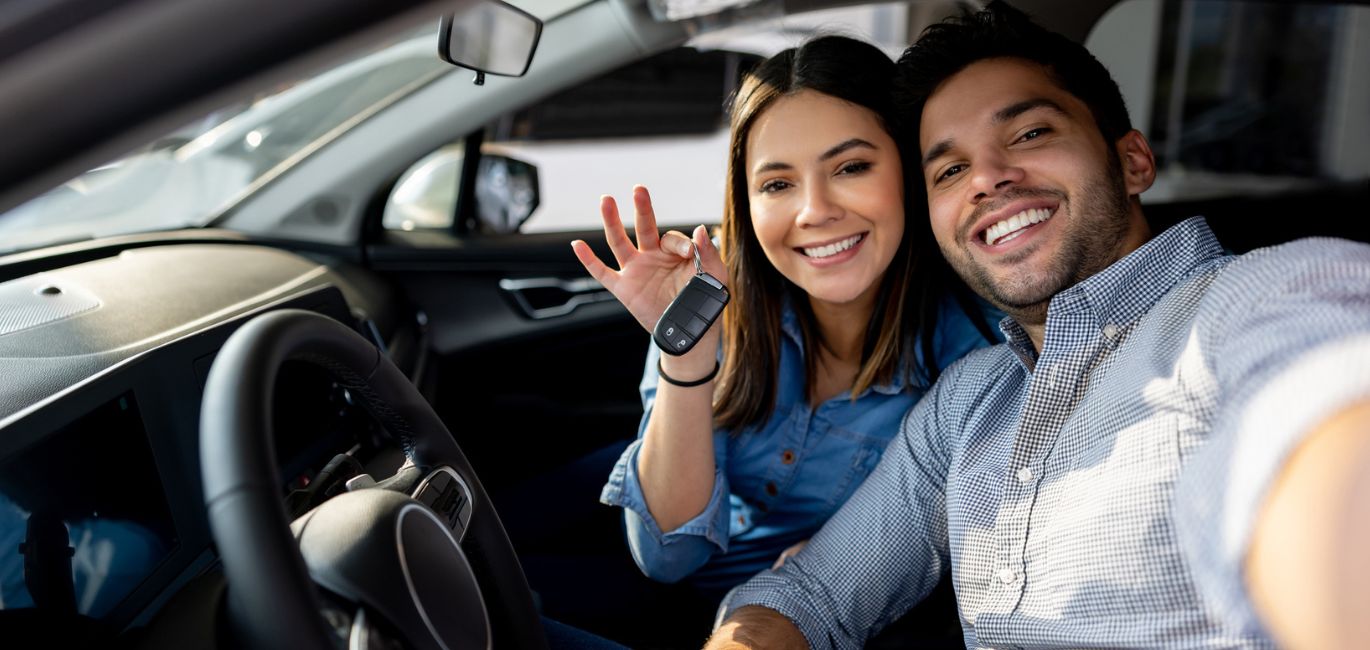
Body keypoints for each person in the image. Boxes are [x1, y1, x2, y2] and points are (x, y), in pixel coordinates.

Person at [706, 3, 1370, 649]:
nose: (989, 179)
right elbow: (810, 597)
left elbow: (1324, 426)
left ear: (1133, 161)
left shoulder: (1259, 299)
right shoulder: (969, 402)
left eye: (1030, 134)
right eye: (950, 169)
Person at [570, 35, 999, 618]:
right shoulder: (707, 294)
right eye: (777, 184)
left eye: (851, 167)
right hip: (662, 583)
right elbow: (668, 554)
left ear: (908, 166)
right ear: (744, 201)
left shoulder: (978, 358)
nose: (814, 210)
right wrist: (685, 355)